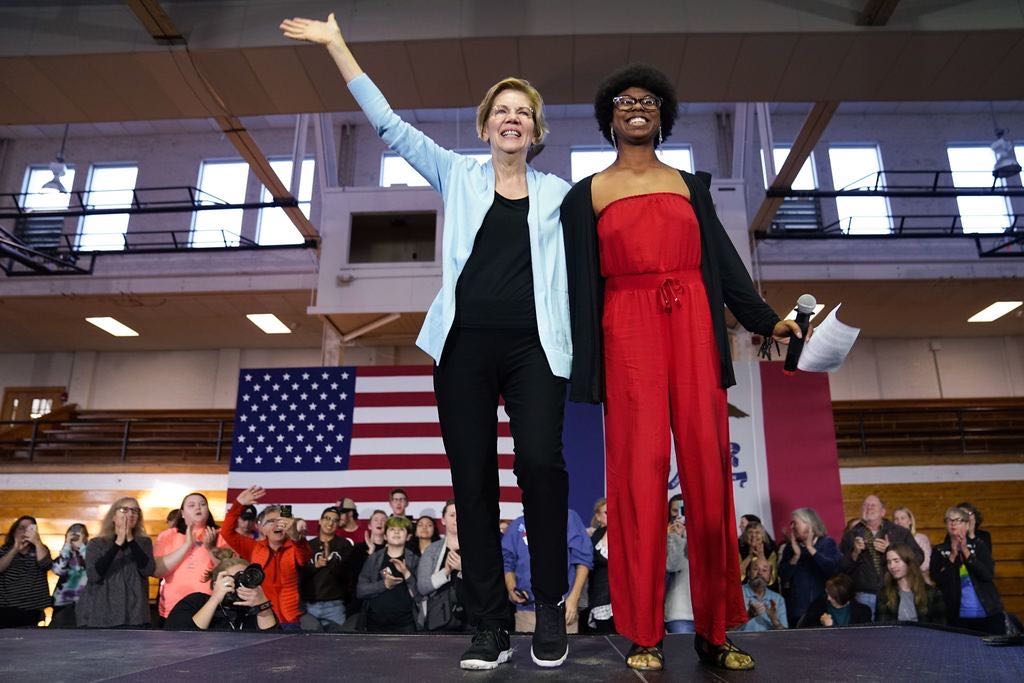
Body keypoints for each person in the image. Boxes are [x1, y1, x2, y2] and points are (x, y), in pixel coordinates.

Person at [281, 12, 574, 671]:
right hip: (463, 347)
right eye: (501, 110)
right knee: (471, 483)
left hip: (537, 351)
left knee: (541, 468)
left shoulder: (560, 195)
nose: (511, 119)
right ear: (484, 125)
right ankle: (489, 627)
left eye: (522, 112)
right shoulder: (456, 173)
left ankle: (550, 605)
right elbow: (388, 126)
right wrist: (337, 46)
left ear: (536, 129)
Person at [561, 62, 803, 672]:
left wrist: (764, 319)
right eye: (624, 100)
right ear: (609, 117)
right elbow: (572, 285)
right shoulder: (584, 194)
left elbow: (722, 259)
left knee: (708, 475)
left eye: (648, 100)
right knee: (638, 478)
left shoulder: (692, 185)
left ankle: (714, 631)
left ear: (662, 115)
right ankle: (643, 631)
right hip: (626, 325)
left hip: (693, 318)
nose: (636, 106)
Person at [219, 486, 313, 630]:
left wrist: (295, 536)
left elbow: (305, 558)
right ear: (260, 528)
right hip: (263, 616)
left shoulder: (296, 546)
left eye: (281, 521)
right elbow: (226, 532)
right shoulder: (253, 548)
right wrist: (238, 504)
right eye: (271, 521)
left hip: (292, 619)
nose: (277, 525)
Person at [502, 509, 592, 652]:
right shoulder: (518, 524)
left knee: (566, 662)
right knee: (525, 661)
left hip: (561, 609)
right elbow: (507, 561)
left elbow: (583, 561)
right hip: (527, 610)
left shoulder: (568, 518)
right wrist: (512, 588)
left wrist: (573, 599)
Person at [838, 494, 922, 617]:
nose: (869, 508)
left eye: (873, 505)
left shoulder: (900, 532)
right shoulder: (850, 535)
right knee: (869, 634)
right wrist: (855, 553)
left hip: (895, 590)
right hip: (864, 594)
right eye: (865, 505)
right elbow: (842, 568)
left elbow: (919, 557)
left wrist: (892, 549)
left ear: (883, 512)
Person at [77, 498, 155, 628]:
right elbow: (94, 575)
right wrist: (118, 542)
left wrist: (130, 539)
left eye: (135, 511)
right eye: (124, 510)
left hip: (135, 614)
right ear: (113, 516)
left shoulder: (144, 543)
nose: (130, 514)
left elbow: (147, 570)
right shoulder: (97, 543)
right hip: (103, 614)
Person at [930, 506, 1005, 635]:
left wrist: (966, 551)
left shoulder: (979, 545)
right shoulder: (939, 550)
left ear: (967, 524)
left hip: (987, 612)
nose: (953, 523)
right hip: (956, 615)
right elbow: (939, 580)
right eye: (949, 520)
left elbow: (987, 575)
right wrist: (952, 556)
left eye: (958, 520)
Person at [153, 492, 225, 620]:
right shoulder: (168, 535)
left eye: (203, 504)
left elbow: (228, 570)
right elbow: (158, 571)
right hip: (173, 606)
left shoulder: (220, 534)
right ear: (182, 513)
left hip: (211, 606)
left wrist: (211, 549)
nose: (198, 508)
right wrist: (186, 545)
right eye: (191, 505)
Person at [165, 551, 278, 631]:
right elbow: (183, 637)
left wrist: (263, 605)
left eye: (244, 579)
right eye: (232, 579)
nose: (238, 584)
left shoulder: (256, 609)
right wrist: (215, 599)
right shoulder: (196, 602)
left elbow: (274, 644)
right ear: (215, 584)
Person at [778, 507, 841, 628]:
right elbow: (783, 576)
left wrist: (811, 549)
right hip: (797, 611)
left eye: (795, 523)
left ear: (809, 524)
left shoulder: (827, 543)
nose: (791, 527)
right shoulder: (790, 548)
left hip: (823, 609)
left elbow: (833, 570)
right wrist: (796, 557)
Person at [356, 517, 420, 633]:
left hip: (406, 624)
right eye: (392, 529)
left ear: (408, 537)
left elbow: (419, 596)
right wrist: (384, 584)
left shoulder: (415, 560)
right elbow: (361, 591)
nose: (396, 532)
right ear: (385, 536)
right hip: (375, 623)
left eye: (401, 530)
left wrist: (406, 574)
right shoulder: (374, 559)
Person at [300, 506, 358, 631]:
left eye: (335, 520)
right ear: (320, 521)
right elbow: (299, 575)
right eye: (327, 518)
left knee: (339, 644)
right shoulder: (308, 546)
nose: (330, 522)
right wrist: (315, 566)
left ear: (338, 524)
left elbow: (348, 575)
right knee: (309, 645)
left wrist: (330, 561)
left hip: (335, 606)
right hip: (310, 605)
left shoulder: (344, 545)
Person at [418, 500, 469, 632]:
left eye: (460, 514)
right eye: (452, 515)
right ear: (443, 520)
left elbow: (485, 584)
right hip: (439, 619)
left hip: (470, 619)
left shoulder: (475, 549)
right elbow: (423, 587)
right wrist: (446, 571)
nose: (456, 519)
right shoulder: (432, 550)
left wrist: (462, 569)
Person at [0, 515, 53, 628]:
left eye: (30, 528)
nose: (25, 531)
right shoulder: (4, 550)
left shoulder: (41, 549)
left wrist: (37, 542)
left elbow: (46, 565)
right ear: (14, 531)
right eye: (22, 528)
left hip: (33, 608)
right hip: (6, 608)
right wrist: (15, 549)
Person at [875, 543, 945, 625]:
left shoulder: (932, 593)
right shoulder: (884, 594)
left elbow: (940, 626)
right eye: (889, 562)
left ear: (908, 562)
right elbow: (881, 626)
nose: (892, 566)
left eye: (896, 561)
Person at [50, 523, 89, 628]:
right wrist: (67, 546)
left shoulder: (90, 554)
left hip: (85, 604)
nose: (75, 535)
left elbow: (92, 567)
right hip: (62, 603)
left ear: (86, 537)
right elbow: (58, 570)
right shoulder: (65, 554)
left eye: (80, 533)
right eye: (72, 532)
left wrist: (82, 547)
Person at [797, 574, 872, 628]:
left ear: (844, 597)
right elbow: (805, 633)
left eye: (833, 597)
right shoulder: (817, 607)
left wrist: (830, 627)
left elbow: (861, 641)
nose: (828, 598)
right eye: (827, 593)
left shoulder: (863, 612)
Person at [664, 502, 694, 636]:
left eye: (682, 510)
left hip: (706, 612)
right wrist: (675, 537)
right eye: (675, 511)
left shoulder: (703, 533)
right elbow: (672, 565)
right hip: (681, 613)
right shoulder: (666, 537)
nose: (679, 515)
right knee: (683, 655)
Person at [739, 556, 787, 631]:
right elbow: (727, 630)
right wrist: (748, 616)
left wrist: (774, 621)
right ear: (748, 573)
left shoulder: (778, 599)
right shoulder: (737, 594)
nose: (760, 573)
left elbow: (786, 636)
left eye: (764, 570)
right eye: (755, 569)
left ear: (770, 576)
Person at [739, 521, 779, 591]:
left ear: (763, 536)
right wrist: (749, 557)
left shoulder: (770, 550)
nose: (754, 535)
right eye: (750, 532)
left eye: (757, 532)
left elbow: (771, 580)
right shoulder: (738, 549)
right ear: (745, 535)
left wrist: (761, 556)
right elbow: (737, 576)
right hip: (743, 591)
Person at [892, 506, 932, 577]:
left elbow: (926, 563)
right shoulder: (891, 541)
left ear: (910, 521)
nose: (899, 522)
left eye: (902, 518)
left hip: (918, 577)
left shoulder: (921, 538)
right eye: (896, 519)